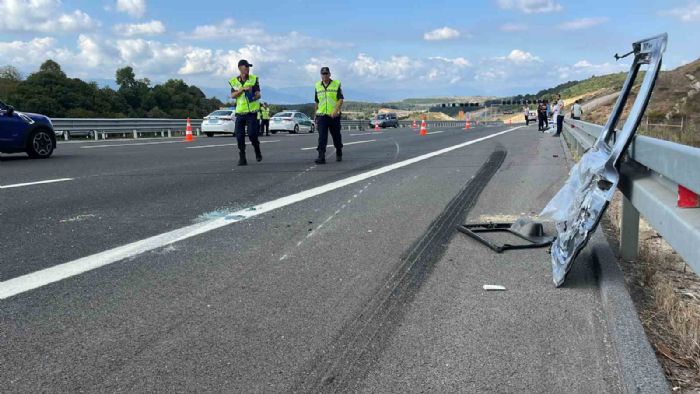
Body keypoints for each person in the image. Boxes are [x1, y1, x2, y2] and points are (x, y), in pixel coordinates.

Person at [229, 59, 262, 166]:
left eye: (248, 67)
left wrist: (252, 91)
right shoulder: (234, 81)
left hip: (251, 113)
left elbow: (258, 95)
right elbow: (233, 96)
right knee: (239, 136)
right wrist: (241, 90)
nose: (248, 69)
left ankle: (257, 149)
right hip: (240, 113)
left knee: (252, 134)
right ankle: (242, 156)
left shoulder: (254, 79)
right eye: (246, 67)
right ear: (240, 68)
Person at [314, 67, 344, 164]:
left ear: (330, 74)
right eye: (323, 74)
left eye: (326, 73)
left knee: (336, 136)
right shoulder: (317, 86)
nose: (325, 75)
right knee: (322, 136)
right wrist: (315, 114)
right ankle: (321, 156)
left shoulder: (336, 84)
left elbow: (340, 99)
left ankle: (339, 150)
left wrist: (336, 110)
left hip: (333, 116)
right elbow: (317, 101)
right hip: (322, 115)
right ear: (321, 75)